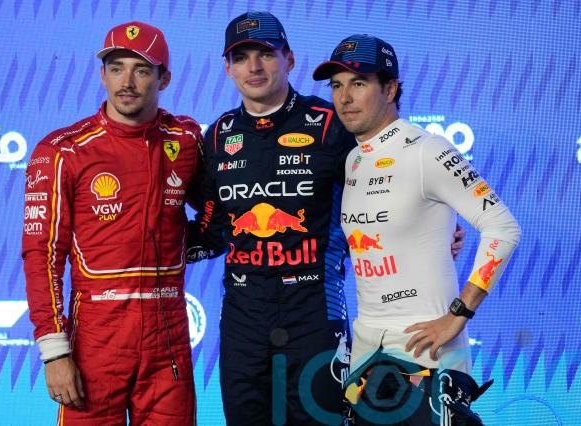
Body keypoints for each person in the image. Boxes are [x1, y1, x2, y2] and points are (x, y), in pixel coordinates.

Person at [192, 12, 464, 425]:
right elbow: (212, 229)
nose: (254, 67)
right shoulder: (217, 136)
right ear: (226, 67)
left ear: (289, 59)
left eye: (266, 53)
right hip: (243, 319)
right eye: (241, 57)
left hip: (315, 312)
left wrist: (434, 227)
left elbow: (390, 184)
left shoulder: (333, 124)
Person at [313, 34, 522, 425]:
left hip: (427, 353)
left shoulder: (429, 150)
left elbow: (503, 228)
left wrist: (458, 314)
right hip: (366, 355)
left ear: (390, 89)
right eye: (336, 86)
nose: (345, 97)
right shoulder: (354, 158)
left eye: (358, 83)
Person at [22, 21, 201, 425]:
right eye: (116, 68)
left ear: (164, 79)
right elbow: (42, 255)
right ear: (102, 75)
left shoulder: (186, 140)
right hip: (96, 337)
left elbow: (219, 208)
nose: (127, 82)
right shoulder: (63, 150)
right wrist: (54, 352)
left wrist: (195, 242)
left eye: (141, 70)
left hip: (168, 334)